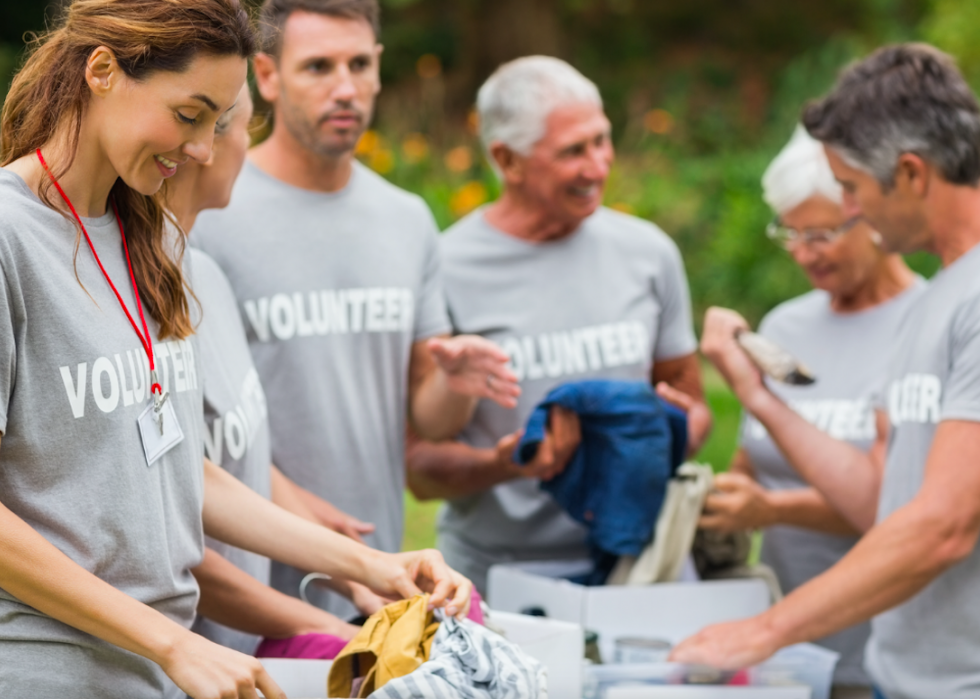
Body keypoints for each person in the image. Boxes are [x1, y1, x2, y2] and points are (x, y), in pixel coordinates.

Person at [0, 2, 470, 698]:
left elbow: (177, 461)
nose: (201, 150)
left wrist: (375, 566)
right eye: (190, 116)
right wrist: (172, 641)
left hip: (155, 674)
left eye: (219, 123)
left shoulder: (146, 239)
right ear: (102, 72)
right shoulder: (11, 237)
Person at [192, 0, 519, 620]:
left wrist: (454, 383)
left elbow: (431, 419)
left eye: (359, 65)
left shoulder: (407, 218)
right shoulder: (211, 209)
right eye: (318, 67)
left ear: (378, 69)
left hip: (380, 581)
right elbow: (195, 432)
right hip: (242, 586)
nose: (345, 88)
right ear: (266, 76)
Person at [671, 44, 980, 699]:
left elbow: (945, 525)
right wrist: (756, 394)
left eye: (851, 188)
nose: (850, 209)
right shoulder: (938, 298)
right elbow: (880, 503)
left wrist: (767, 629)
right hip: (903, 678)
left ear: (912, 173)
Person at [406, 56, 713, 593]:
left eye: (602, 140)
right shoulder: (445, 265)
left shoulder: (647, 253)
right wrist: (506, 465)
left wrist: (667, 430)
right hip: (495, 577)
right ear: (508, 159)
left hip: (636, 568)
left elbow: (693, 405)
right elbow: (420, 466)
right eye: (574, 151)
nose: (598, 166)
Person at [696, 125, 923, 699]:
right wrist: (724, 494)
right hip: (783, 650)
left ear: (867, 211)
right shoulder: (784, 326)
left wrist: (774, 509)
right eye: (789, 233)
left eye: (819, 234)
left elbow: (902, 506)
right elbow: (757, 458)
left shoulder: (925, 324)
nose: (802, 252)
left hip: (878, 649)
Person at [168, 86, 372, 656]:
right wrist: (323, 624)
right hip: (192, 658)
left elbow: (239, 452)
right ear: (203, 143)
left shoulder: (204, 274)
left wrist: (357, 572)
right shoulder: (134, 293)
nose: (248, 149)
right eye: (247, 129)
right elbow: (165, 529)